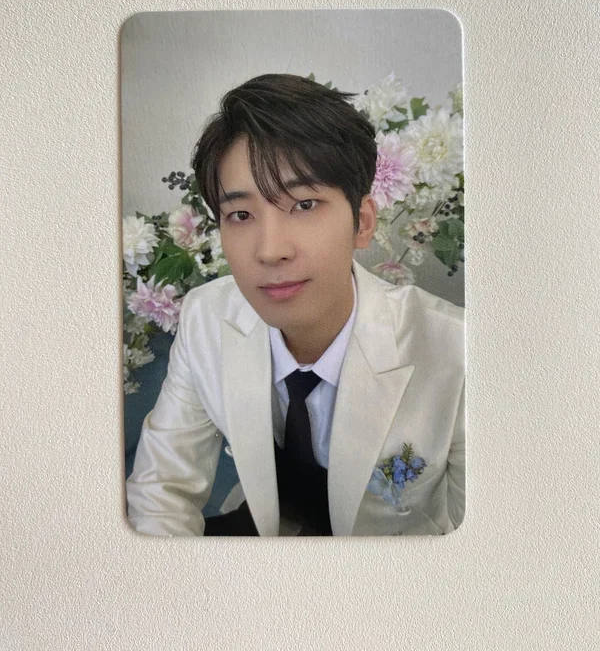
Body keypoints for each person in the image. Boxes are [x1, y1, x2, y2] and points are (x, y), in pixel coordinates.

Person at [126, 73, 465, 536]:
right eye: (241, 214)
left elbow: (483, 545)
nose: (270, 251)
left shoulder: (457, 350)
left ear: (363, 222)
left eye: (304, 205)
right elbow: (161, 490)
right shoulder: (206, 316)